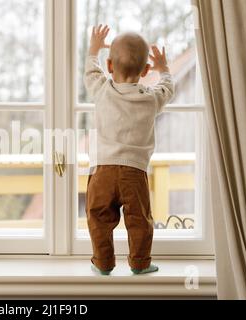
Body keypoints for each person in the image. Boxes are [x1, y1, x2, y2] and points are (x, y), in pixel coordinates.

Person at [84, 25, 174, 275]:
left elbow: (90, 72)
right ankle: (140, 263)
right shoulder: (150, 99)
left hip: (102, 169)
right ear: (146, 71)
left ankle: (102, 263)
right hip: (134, 172)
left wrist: (93, 50)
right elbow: (168, 89)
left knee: (98, 217)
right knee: (139, 221)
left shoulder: (102, 90)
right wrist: (164, 69)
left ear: (110, 66)